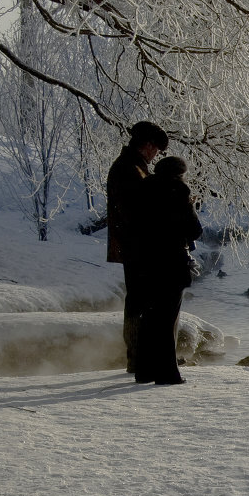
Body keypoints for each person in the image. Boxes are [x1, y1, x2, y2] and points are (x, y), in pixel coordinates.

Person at [131, 156, 203, 385]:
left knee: (149, 316)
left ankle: (144, 371)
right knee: (166, 318)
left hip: (146, 262)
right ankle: (167, 373)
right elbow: (194, 230)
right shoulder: (178, 191)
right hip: (171, 263)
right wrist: (191, 205)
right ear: (180, 173)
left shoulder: (143, 187)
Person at [106, 121, 169, 373]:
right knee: (139, 303)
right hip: (138, 248)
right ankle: (138, 358)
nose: (156, 156)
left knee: (140, 301)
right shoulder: (129, 170)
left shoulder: (133, 167)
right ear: (147, 146)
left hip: (137, 247)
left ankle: (142, 357)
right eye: (156, 150)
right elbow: (138, 212)